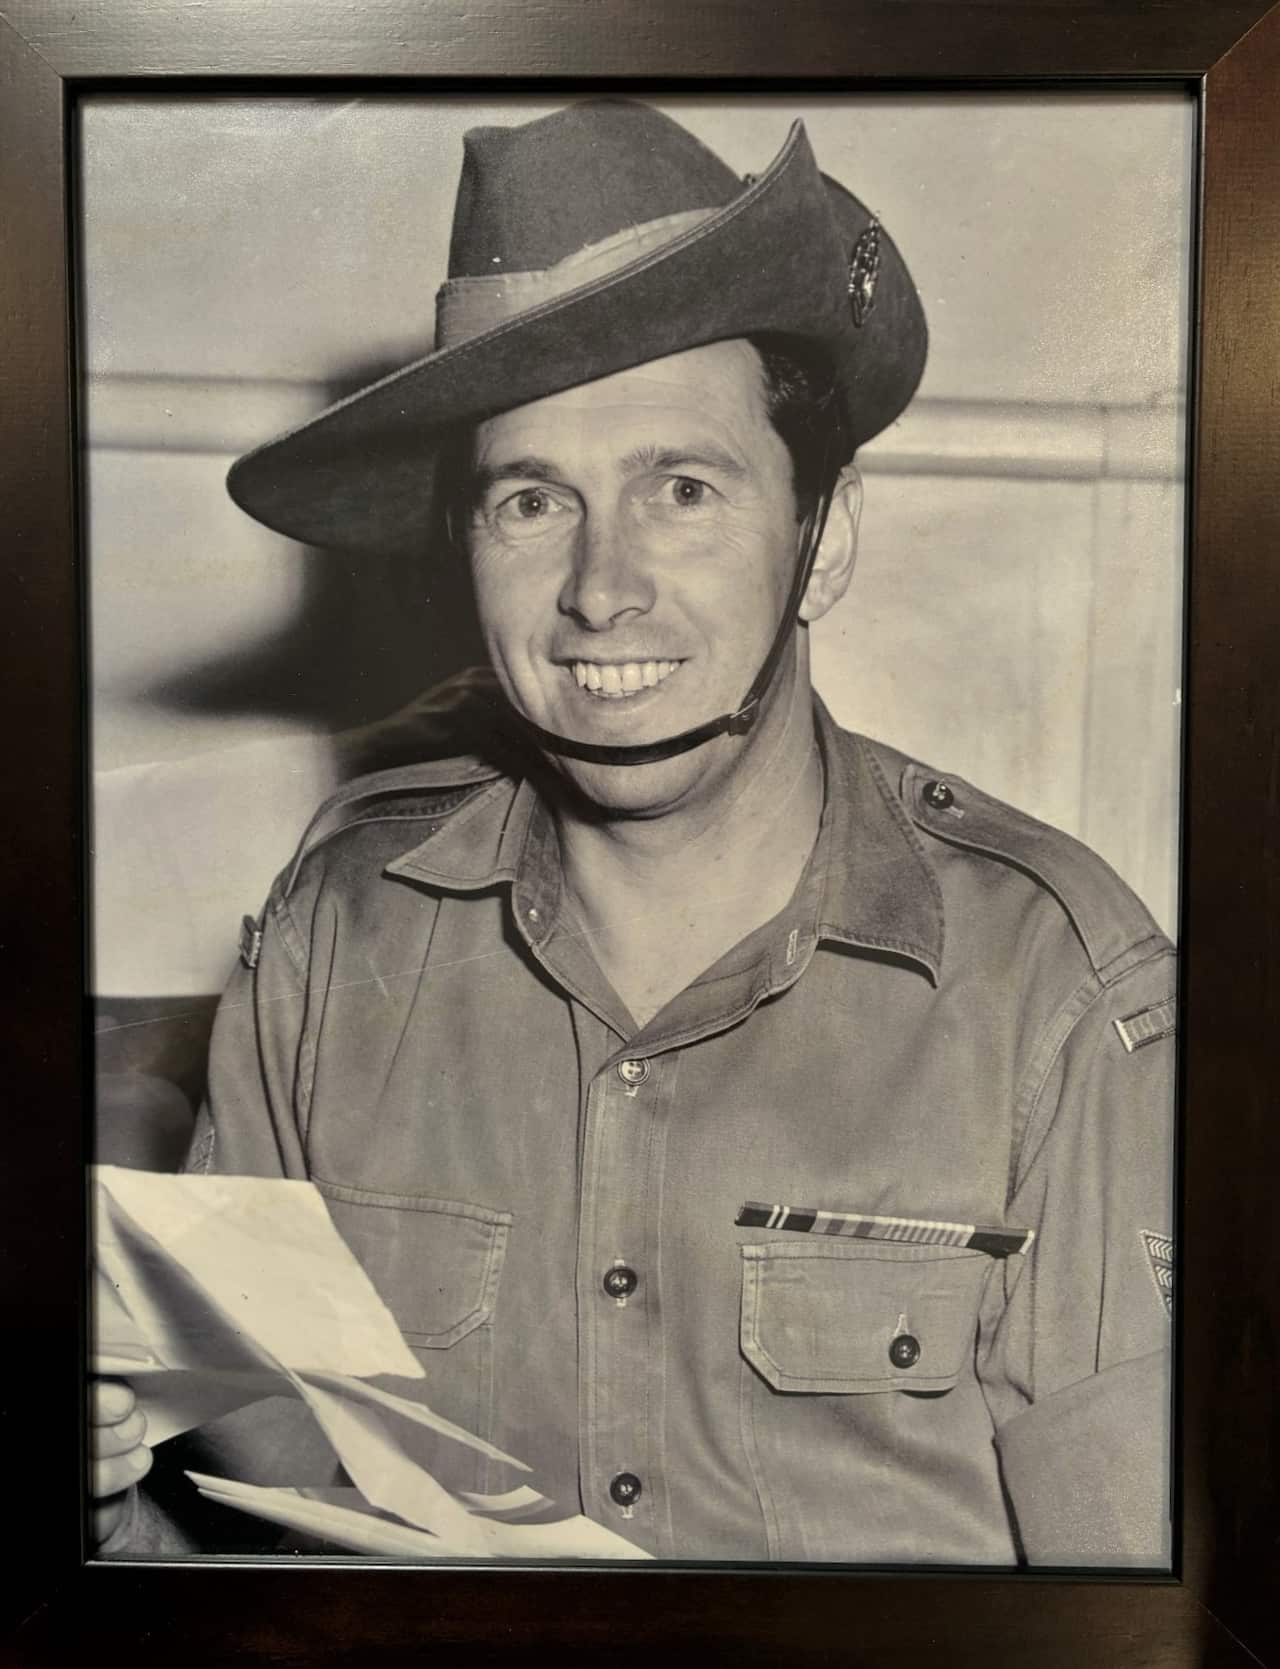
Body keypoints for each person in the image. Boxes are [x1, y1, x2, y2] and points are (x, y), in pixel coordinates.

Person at [91, 98, 1175, 1566]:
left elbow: (1147, 1614)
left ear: (823, 538)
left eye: (682, 486)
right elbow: (249, 1540)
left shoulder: (1054, 990)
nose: (603, 590)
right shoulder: (336, 939)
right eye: (532, 499)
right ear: (464, 550)